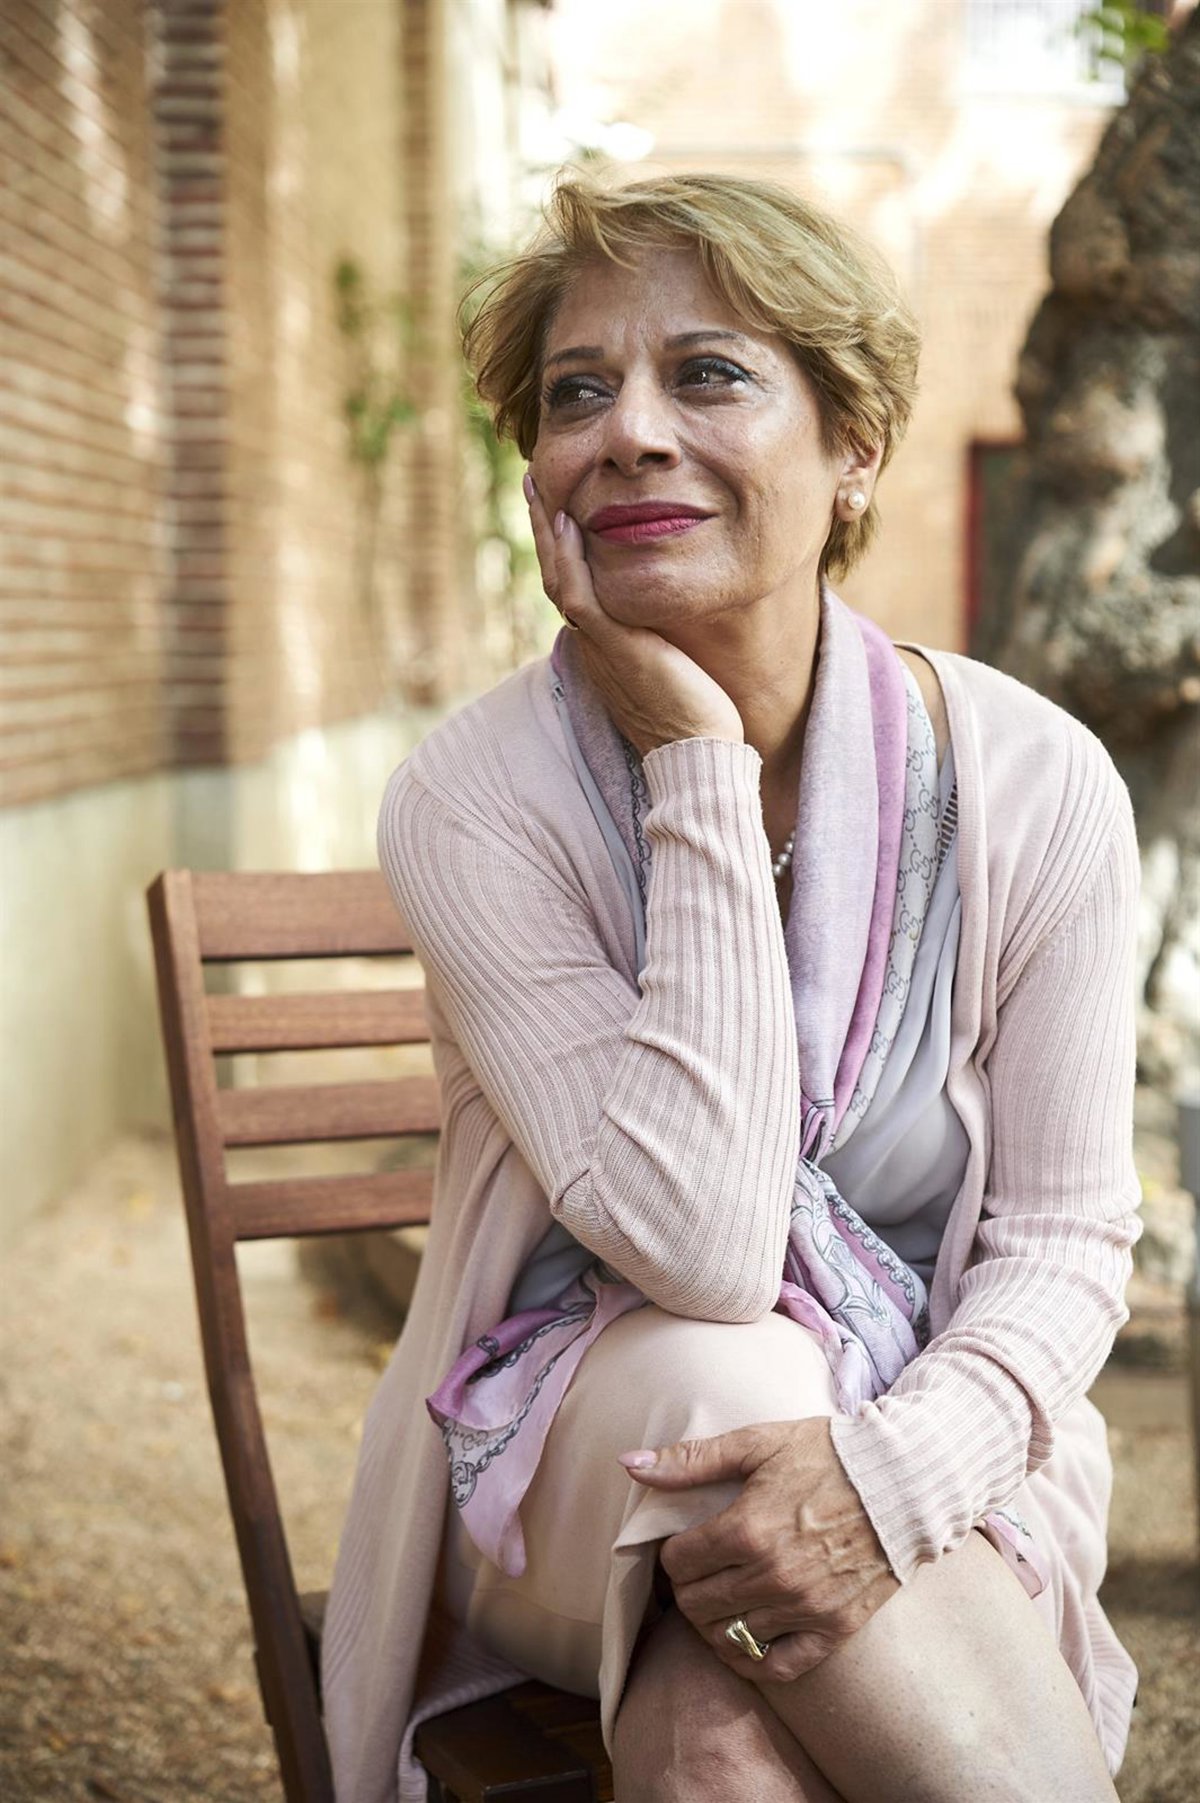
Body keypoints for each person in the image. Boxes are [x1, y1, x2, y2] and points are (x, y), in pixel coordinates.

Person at [322, 172, 1141, 1803]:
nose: (629, 432)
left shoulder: (1037, 782)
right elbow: (700, 1243)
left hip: (946, 1438)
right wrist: (692, 760)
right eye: (578, 394)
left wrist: (887, 1480)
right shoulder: (474, 799)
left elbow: (1064, 1240)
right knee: (733, 1371)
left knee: (719, 1747)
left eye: (708, 374)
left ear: (856, 449)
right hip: (556, 1475)